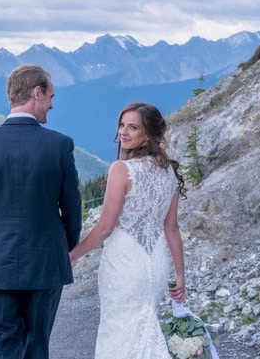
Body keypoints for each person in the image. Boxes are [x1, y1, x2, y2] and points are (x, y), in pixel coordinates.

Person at [0, 64, 82, 359]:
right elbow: (72, 208)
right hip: (45, 262)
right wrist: (65, 250)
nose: (52, 104)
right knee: (37, 345)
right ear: (36, 93)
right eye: (51, 96)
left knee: (2, 346)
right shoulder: (60, 145)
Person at [69, 102, 187, 358]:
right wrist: (180, 275)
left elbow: (104, 228)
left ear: (149, 134)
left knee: (118, 331)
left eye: (132, 127)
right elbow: (172, 228)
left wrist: (75, 254)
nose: (123, 132)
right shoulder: (170, 172)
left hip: (124, 265)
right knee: (144, 328)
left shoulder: (121, 169)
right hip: (156, 261)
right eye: (122, 125)